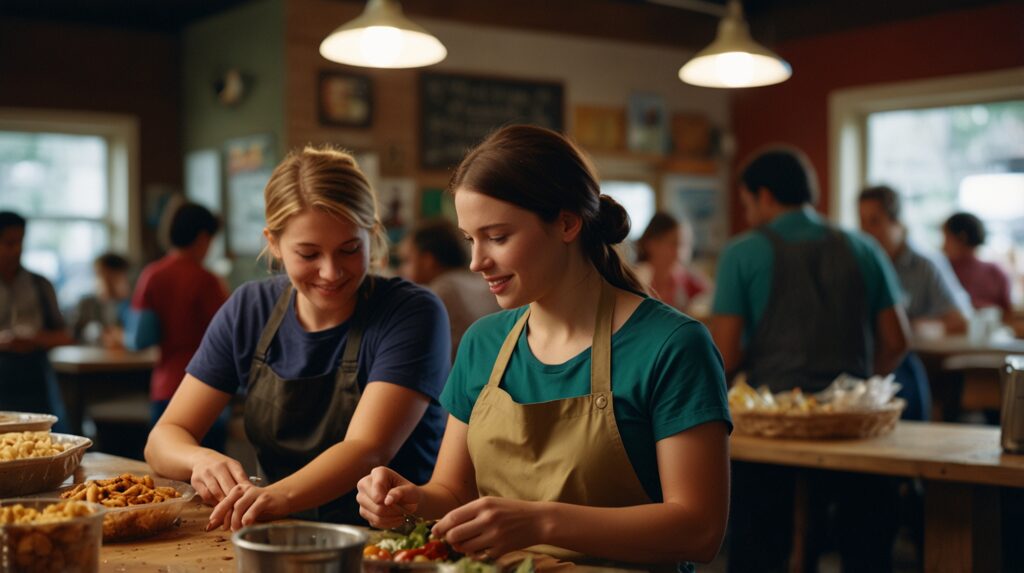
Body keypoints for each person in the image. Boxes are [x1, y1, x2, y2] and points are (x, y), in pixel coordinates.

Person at [357, 126, 731, 573]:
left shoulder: (672, 345)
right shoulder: (485, 342)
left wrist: (541, 523)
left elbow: (699, 530)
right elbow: (454, 495)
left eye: (497, 237)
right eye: (469, 240)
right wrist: (409, 500)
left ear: (567, 223)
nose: (478, 262)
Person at [144, 147, 451, 531]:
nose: (330, 271)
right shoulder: (250, 308)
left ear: (372, 233)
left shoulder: (412, 312)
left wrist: (274, 497)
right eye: (308, 253)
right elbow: (163, 438)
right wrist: (200, 460)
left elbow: (366, 449)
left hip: (392, 543)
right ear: (273, 243)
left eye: (350, 249)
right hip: (279, 533)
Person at [710, 147, 909, 572]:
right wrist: (856, 390)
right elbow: (897, 340)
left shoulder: (741, 253)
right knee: (867, 545)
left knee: (757, 544)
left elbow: (725, 353)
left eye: (746, 202)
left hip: (771, 427)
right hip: (851, 428)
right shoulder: (864, 248)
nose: (747, 214)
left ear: (763, 195)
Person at [858, 185, 971, 420]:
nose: (866, 231)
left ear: (897, 222)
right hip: (868, 362)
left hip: (915, 365)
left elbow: (960, 320)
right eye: (862, 222)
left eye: (874, 221)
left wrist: (922, 326)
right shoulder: (861, 264)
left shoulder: (926, 265)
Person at [125, 202, 230, 450]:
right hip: (208, 389)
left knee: (167, 472)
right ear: (203, 237)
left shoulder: (152, 274)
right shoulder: (208, 281)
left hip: (164, 386)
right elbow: (231, 339)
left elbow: (139, 339)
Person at [0, 211, 73, 428]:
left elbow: (64, 336)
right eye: (8, 243)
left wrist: (35, 340)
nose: (16, 250)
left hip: (33, 375)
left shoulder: (40, 284)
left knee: (37, 440)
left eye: (20, 242)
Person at [397, 218, 499, 358]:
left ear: (428, 261)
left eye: (406, 260)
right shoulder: (478, 281)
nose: (400, 270)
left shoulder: (442, 291)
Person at [633, 211, 711, 315]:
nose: (680, 253)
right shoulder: (635, 279)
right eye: (674, 244)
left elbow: (715, 301)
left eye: (685, 245)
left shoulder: (689, 280)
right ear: (651, 244)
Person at [942, 212, 1013, 321]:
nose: (943, 245)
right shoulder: (942, 270)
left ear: (962, 238)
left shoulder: (995, 272)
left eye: (946, 238)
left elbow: (1008, 314)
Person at [70, 252, 132, 348]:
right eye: (99, 275)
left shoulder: (133, 304)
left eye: (112, 277)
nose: (104, 281)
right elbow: (73, 335)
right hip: (92, 358)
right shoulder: (86, 304)